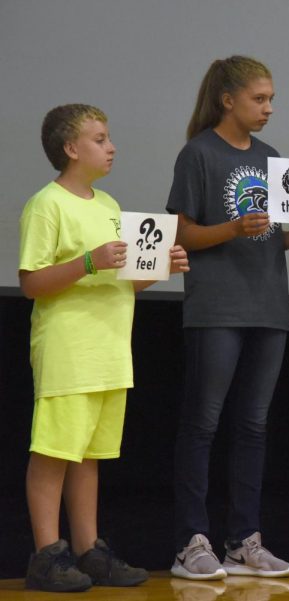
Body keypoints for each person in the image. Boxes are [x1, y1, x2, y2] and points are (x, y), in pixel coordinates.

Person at [166, 55, 289, 580]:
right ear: (228, 99)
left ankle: (243, 540)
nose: (268, 108)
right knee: (203, 424)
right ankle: (192, 542)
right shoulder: (199, 153)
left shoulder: (271, 157)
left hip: (267, 305)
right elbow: (182, 232)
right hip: (216, 306)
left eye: (271, 99)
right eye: (260, 99)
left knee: (254, 426)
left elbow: (263, 239)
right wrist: (231, 229)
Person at [19, 104, 189, 592]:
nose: (111, 146)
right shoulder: (46, 204)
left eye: (108, 137)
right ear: (71, 149)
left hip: (110, 350)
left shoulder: (110, 206)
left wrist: (159, 269)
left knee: (87, 455)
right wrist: (88, 262)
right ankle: (47, 555)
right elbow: (32, 282)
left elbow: (122, 285)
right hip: (69, 348)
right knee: (53, 451)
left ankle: (89, 549)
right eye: (99, 138)